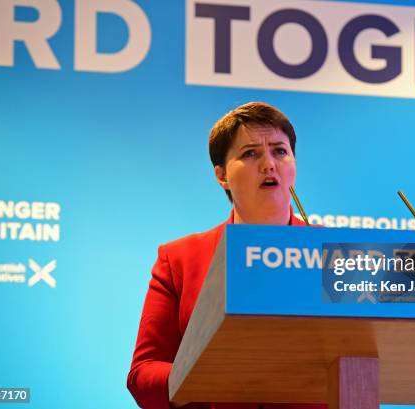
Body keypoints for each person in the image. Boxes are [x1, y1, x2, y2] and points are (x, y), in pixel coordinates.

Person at [127, 102, 324, 409]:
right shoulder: (179, 259)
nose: (269, 164)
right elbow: (143, 375)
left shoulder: (335, 254)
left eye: (279, 151)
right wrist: (216, 374)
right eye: (250, 153)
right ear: (221, 175)